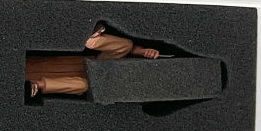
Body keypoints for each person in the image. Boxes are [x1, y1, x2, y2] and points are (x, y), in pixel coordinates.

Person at [25, 23, 160, 97]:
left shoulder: (149, 89)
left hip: (99, 81)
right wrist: (142, 52)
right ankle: (94, 41)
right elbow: (131, 49)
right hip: (98, 66)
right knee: (127, 45)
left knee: (84, 86)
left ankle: (38, 85)